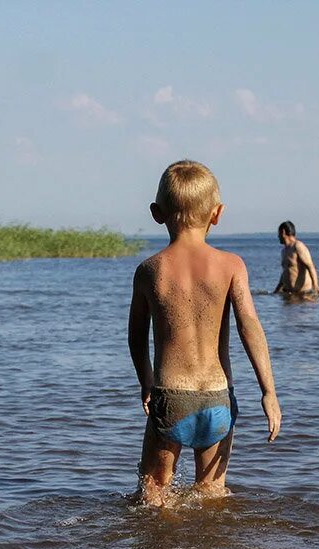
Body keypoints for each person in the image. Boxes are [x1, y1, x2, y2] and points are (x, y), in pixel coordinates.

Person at [128, 160, 281, 506]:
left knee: (152, 497)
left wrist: (146, 382)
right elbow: (250, 327)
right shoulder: (232, 265)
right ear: (217, 214)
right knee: (211, 497)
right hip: (218, 397)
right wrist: (268, 392)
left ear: (156, 213)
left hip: (172, 396)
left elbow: (136, 337)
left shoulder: (149, 271)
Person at [272, 221, 319, 295]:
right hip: (289, 294)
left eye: (279, 233)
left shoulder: (298, 246)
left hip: (303, 295)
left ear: (283, 232)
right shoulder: (284, 251)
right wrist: (277, 289)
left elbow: (311, 267)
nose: (278, 236)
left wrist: (315, 287)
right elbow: (286, 271)